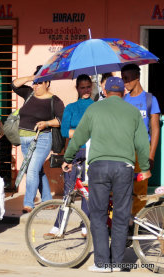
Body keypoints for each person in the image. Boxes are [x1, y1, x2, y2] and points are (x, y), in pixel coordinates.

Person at [62, 77, 151, 272]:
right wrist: (145, 168)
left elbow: (79, 136)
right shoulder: (133, 112)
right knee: (120, 215)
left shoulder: (93, 109)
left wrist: (68, 158)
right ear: (123, 93)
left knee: (98, 215)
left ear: (105, 91)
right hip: (125, 167)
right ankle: (118, 263)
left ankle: (102, 263)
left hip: (99, 167)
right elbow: (143, 144)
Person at [44, 74, 94, 238]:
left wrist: (77, 133)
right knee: (68, 190)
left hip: (93, 152)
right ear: (77, 88)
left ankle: (85, 225)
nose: (86, 90)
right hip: (73, 151)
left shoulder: (96, 106)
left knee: (87, 190)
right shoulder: (71, 107)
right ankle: (59, 226)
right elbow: (65, 131)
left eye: (88, 86)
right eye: (82, 87)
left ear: (92, 87)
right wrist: (84, 133)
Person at [12, 65, 65, 213]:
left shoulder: (54, 100)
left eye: (40, 82)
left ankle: (29, 203)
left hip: (42, 138)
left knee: (32, 170)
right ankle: (48, 200)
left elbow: (61, 120)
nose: (36, 86)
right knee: (37, 170)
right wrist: (31, 78)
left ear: (47, 83)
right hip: (24, 139)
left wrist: (47, 123)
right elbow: (14, 85)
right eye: (35, 82)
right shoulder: (28, 93)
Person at [121, 64, 161, 216]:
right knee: (122, 188)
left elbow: (155, 128)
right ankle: (122, 223)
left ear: (137, 77)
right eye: (122, 79)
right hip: (125, 151)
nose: (124, 83)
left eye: (127, 79)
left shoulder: (150, 100)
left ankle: (138, 221)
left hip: (143, 151)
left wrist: (151, 155)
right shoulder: (123, 101)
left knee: (140, 190)